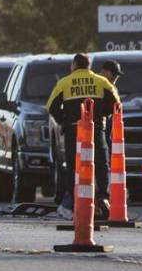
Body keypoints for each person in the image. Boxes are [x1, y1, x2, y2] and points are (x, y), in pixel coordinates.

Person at [45, 53, 121, 218]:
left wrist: (63, 121)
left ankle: (75, 200)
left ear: (74, 65)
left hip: (74, 131)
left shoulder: (64, 83)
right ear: (89, 66)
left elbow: (51, 106)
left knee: (75, 166)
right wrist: (101, 115)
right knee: (101, 163)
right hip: (96, 129)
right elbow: (116, 105)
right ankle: (102, 198)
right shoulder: (102, 82)